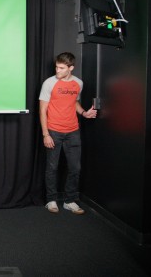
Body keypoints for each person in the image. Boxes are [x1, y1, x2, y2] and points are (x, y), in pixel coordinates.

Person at [38, 52, 97, 215]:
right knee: (52, 167)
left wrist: (84, 113)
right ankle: (51, 200)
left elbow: (75, 103)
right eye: (57, 67)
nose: (57, 70)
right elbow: (42, 110)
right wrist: (46, 134)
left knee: (75, 168)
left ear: (71, 68)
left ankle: (70, 201)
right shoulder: (49, 83)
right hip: (53, 130)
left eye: (62, 68)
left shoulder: (78, 83)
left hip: (73, 131)